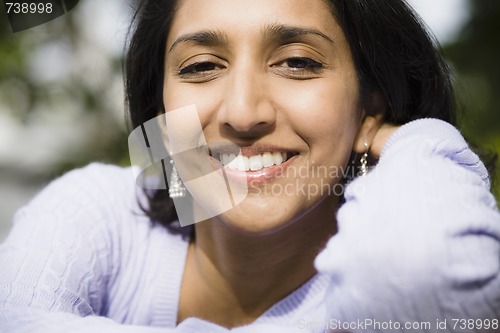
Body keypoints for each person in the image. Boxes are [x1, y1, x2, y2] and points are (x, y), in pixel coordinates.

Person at [1, 0, 499, 332]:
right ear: (159, 112)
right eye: (201, 67)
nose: (242, 113)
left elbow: (427, 281)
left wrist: (416, 139)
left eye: (297, 62)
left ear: (371, 100)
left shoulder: (388, 268)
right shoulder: (101, 210)